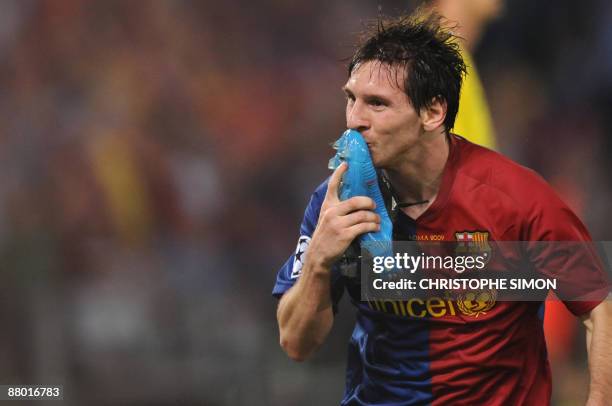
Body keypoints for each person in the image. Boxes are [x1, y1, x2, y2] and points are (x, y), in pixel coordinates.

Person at [272, 11, 611, 405]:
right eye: (351, 98)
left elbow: (598, 303)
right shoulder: (336, 203)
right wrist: (318, 260)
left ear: (433, 113)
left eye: (377, 104)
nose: (354, 120)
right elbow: (296, 343)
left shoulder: (518, 199)